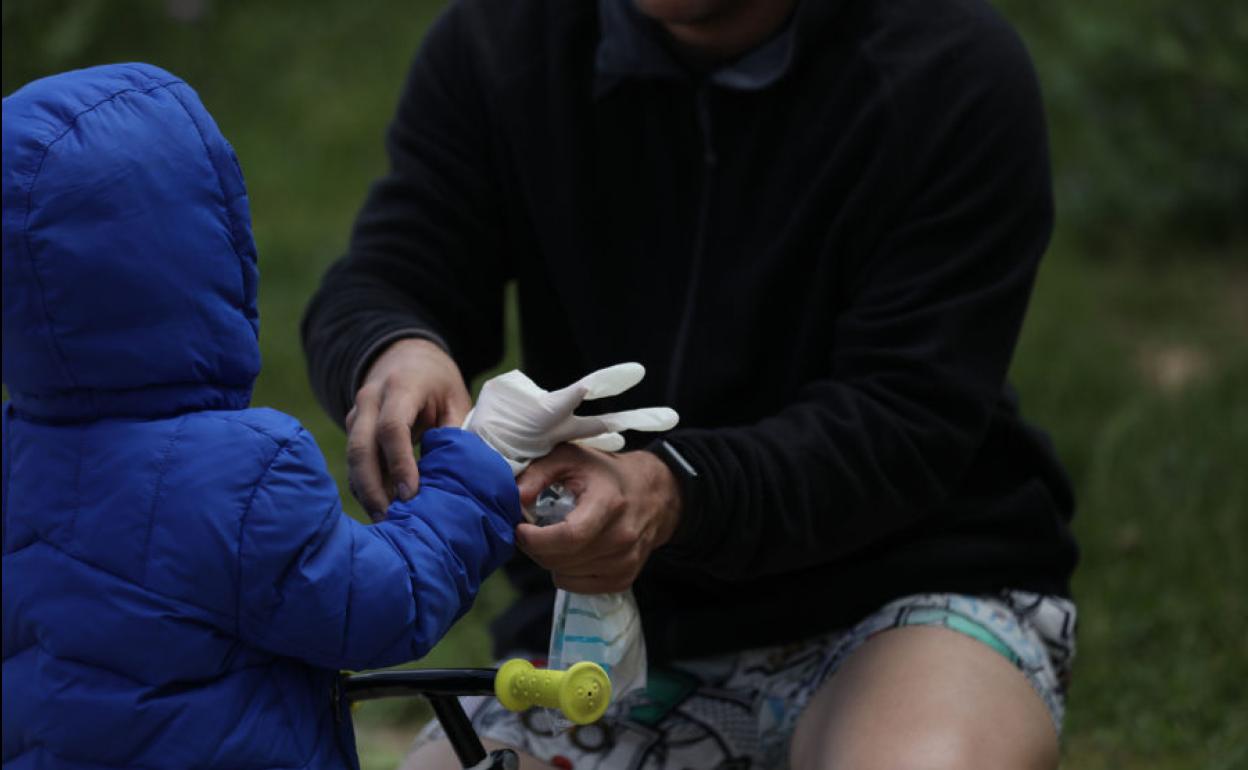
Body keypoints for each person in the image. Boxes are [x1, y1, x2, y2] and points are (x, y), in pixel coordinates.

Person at [302, 0, 1081, 767]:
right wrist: (394, 350)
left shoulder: (952, 67)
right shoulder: (498, 41)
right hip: (606, 628)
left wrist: (672, 493)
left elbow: (903, 420)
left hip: (908, 593)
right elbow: (391, 272)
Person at [0, 62, 613, 770]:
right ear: (211, 248)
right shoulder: (238, 476)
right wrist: (474, 471)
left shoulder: (17, 459)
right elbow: (384, 604)